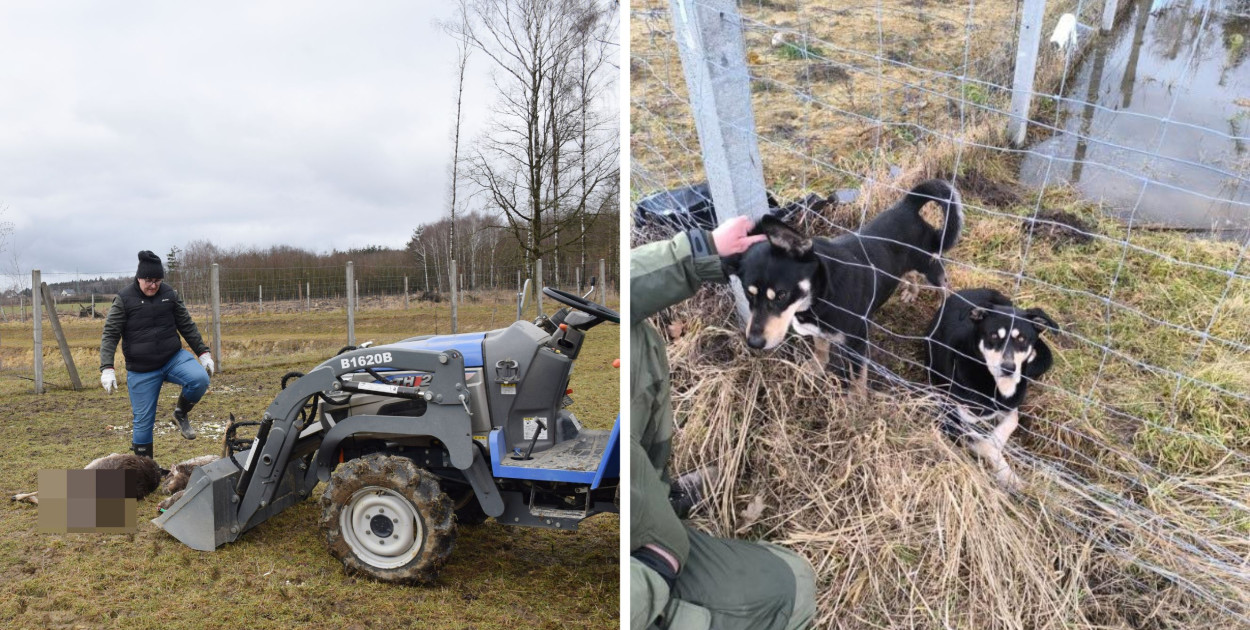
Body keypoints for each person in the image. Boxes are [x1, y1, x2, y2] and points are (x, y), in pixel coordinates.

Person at [631, 217, 817, 630]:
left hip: (640, 515)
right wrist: (653, 564)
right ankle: (654, 528)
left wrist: (699, 250)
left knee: (630, 337)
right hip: (642, 587)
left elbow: (624, 297)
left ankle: (657, 497)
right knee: (794, 585)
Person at [99, 251, 215, 459]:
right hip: (142, 369)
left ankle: (180, 414)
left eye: (158, 281)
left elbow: (186, 324)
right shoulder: (124, 299)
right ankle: (145, 469)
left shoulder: (169, 294)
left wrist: (203, 352)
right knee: (143, 423)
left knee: (199, 379)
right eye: (149, 281)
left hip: (172, 358)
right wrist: (107, 367)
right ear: (139, 278)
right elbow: (110, 334)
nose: (153, 285)